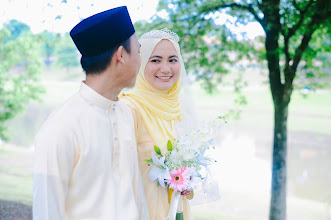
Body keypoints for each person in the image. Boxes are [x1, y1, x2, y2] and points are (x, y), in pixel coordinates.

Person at [33, 6, 149, 220]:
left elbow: (137, 197)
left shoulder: (124, 114)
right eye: (139, 51)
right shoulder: (60, 128)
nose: (140, 62)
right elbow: (47, 212)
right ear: (121, 55)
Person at [120, 28, 194, 220]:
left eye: (172, 59)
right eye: (155, 60)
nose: (165, 69)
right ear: (141, 63)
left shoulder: (178, 111)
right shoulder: (129, 108)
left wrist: (187, 181)